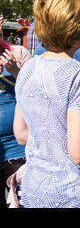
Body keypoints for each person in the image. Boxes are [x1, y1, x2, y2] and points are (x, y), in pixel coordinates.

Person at [13, 0, 80, 208]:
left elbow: (21, 134)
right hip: (73, 193)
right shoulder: (78, 73)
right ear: (75, 28)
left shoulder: (27, 67)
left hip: (33, 190)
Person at [0, 19, 31, 208]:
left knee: (25, 203)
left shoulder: (18, 52)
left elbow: (37, 93)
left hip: (17, 148)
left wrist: (16, 72)